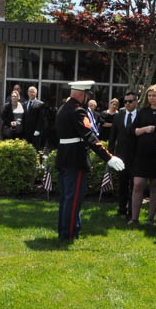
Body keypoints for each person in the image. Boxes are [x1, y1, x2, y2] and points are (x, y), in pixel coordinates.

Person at [55, 80, 125, 241]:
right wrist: (108, 157)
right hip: (75, 159)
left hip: (64, 157)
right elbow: (89, 136)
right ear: (82, 94)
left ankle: (67, 230)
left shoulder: (63, 108)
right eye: (86, 95)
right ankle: (69, 234)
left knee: (66, 198)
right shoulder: (78, 111)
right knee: (73, 198)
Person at [129, 85, 156, 226]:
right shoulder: (143, 112)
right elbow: (133, 131)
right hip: (142, 154)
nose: (151, 98)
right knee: (138, 184)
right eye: (149, 95)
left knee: (155, 185)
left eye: (154, 95)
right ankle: (134, 218)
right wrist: (145, 129)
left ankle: (150, 219)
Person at [109, 92, 138, 219]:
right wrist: (110, 155)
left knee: (135, 185)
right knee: (122, 184)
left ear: (136, 101)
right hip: (121, 156)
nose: (127, 104)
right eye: (125, 101)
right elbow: (112, 136)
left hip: (136, 156)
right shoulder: (118, 116)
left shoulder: (140, 116)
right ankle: (122, 209)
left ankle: (132, 211)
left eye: (130, 101)